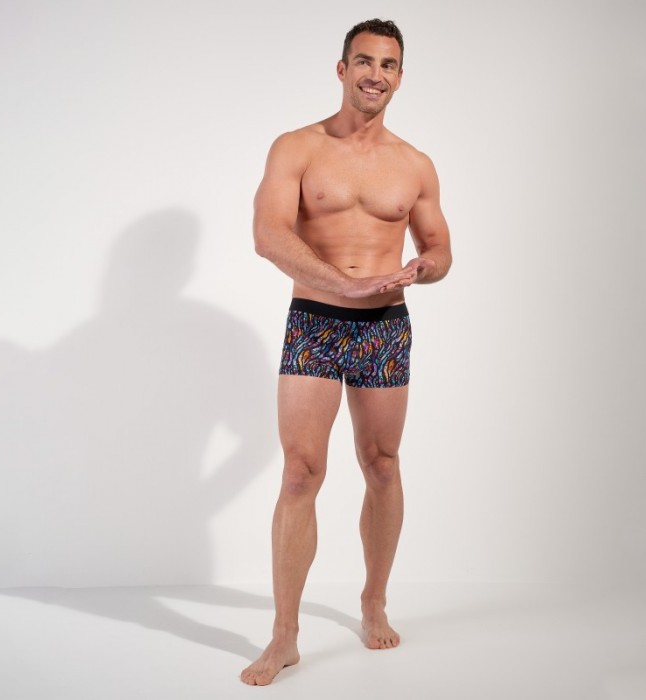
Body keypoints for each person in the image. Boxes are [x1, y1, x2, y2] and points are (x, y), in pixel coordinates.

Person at [240, 18, 452, 686]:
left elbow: (440, 247)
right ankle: (284, 636)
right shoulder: (297, 148)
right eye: (364, 61)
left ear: (399, 77)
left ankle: (373, 600)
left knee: (382, 464)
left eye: (388, 65)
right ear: (342, 69)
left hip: (384, 327)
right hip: (315, 323)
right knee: (300, 473)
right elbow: (268, 235)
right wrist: (343, 283)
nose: (375, 75)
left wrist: (423, 268)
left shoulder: (415, 165)